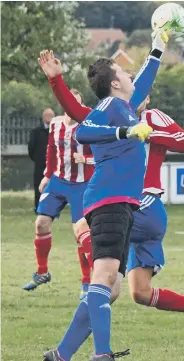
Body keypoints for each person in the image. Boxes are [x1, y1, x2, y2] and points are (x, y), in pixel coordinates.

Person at [42, 87, 184, 361]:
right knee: (136, 292)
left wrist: (148, 131)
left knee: (83, 231)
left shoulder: (153, 116)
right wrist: (57, 82)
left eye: (143, 92)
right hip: (136, 209)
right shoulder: (116, 116)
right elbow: (83, 120)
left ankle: (68, 351)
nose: (138, 96)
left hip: (144, 204)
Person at [42, 29, 168, 361]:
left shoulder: (124, 105)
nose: (130, 75)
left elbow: (143, 81)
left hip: (119, 202)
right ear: (114, 83)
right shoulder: (113, 105)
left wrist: (157, 49)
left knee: (108, 288)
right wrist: (125, 131)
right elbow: (82, 131)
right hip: (109, 200)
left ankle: (61, 354)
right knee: (104, 278)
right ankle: (101, 355)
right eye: (125, 72)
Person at [23, 90, 94, 300]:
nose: (74, 106)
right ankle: (42, 272)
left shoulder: (90, 122)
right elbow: (51, 150)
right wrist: (46, 175)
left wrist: (87, 158)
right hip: (58, 180)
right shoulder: (55, 123)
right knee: (41, 223)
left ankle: (87, 282)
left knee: (80, 233)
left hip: (82, 184)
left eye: (77, 103)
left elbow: (105, 149)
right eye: (69, 102)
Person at [28, 108, 55, 211]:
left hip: (54, 164)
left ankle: (51, 208)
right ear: (43, 117)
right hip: (40, 164)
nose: (49, 117)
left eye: (51, 115)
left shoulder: (57, 130)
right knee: (39, 185)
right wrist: (38, 159)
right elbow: (31, 148)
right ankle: (38, 208)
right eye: (47, 115)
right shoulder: (36, 131)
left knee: (52, 187)